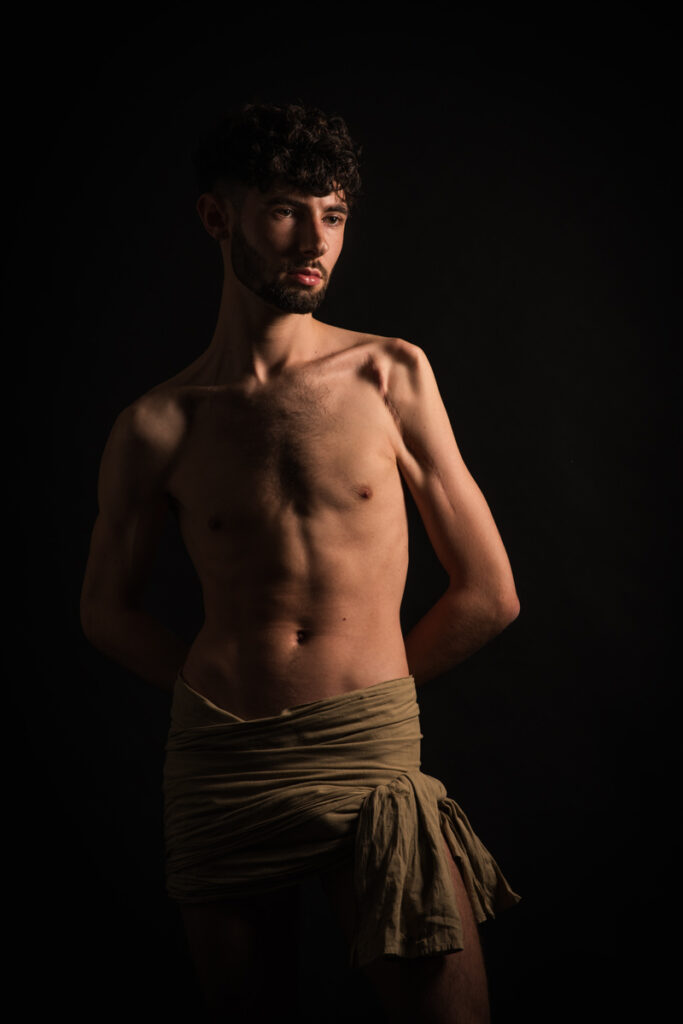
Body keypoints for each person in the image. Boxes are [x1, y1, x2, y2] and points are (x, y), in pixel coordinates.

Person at [80, 102, 521, 1023]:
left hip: (365, 747)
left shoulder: (388, 374)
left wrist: (365, 693)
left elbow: (489, 594)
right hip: (223, 762)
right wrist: (217, 698)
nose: (315, 240)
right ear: (218, 218)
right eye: (285, 209)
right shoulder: (157, 424)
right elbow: (105, 610)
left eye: (334, 214)